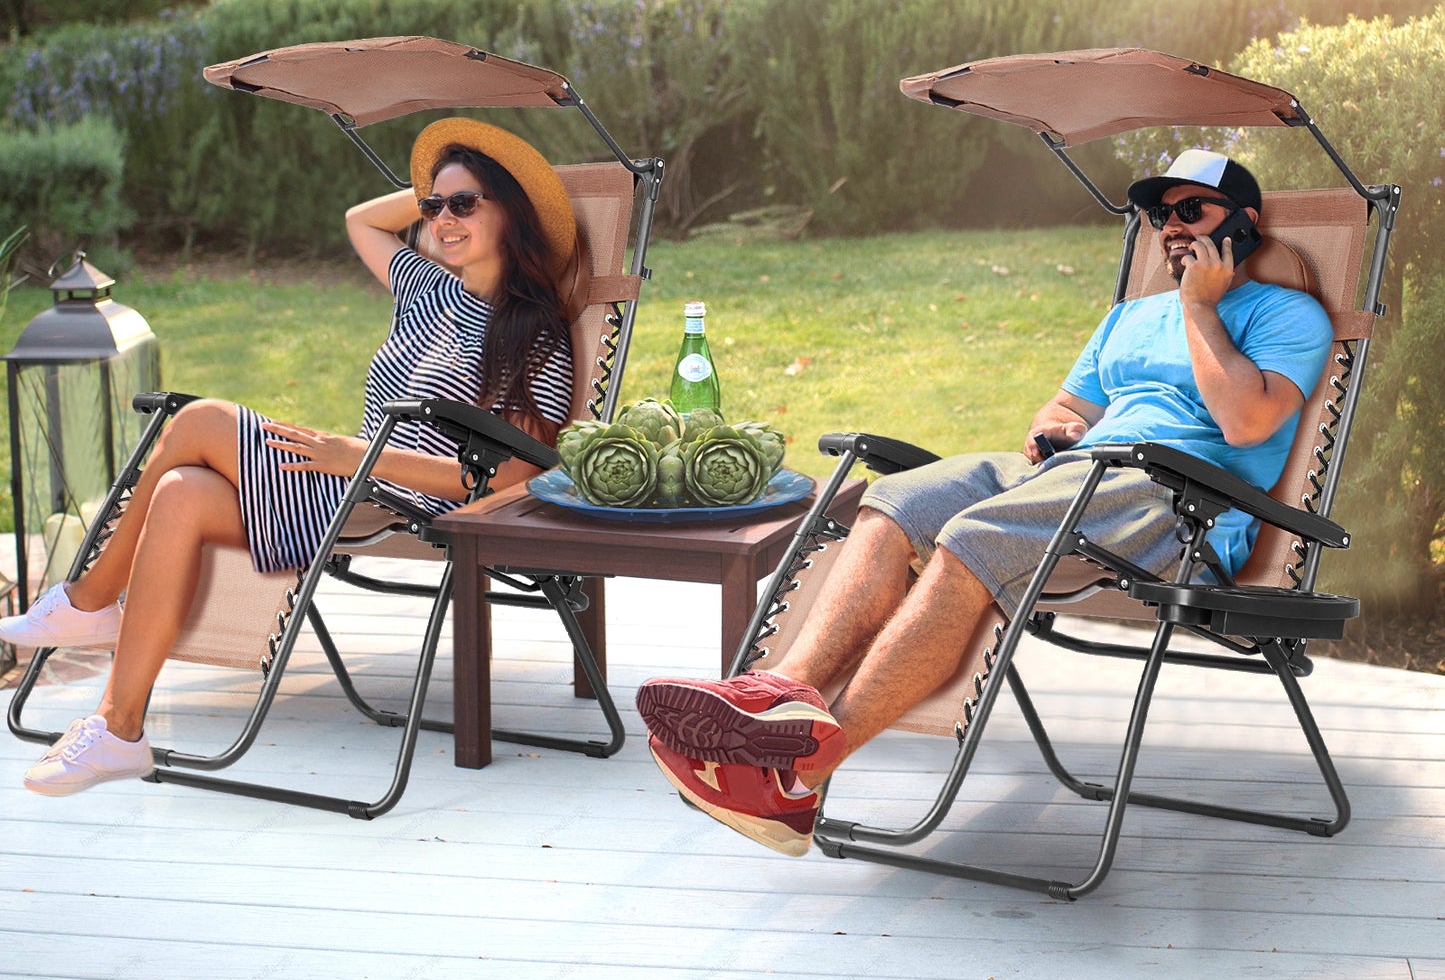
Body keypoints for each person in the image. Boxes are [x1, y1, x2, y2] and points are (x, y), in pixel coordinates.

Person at [636, 149, 1334, 856]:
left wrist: (1197, 308)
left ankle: (798, 774)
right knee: (894, 500)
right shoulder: (1128, 316)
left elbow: (1247, 421)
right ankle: (776, 692)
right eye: (1159, 215)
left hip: (1177, 502)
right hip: (1074, 473)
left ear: (1242, 225)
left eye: (1191, 211)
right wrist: (1052, 429)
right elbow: (1064, 404)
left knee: (973, 535)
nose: (1170, 228)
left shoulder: (1287, 313)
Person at [5, 118, 577, 796]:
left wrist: (354, 456)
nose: (441, 219)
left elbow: (511, 477)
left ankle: (89, 599)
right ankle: (118, 727)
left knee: (203, 419)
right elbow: (361, 221)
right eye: (432, 205)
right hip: (343, 478)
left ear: (513, 211)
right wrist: (434, 187)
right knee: (182, 490)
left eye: (464, 204)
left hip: (396, 495)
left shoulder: (532, 333)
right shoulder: (426, 288)